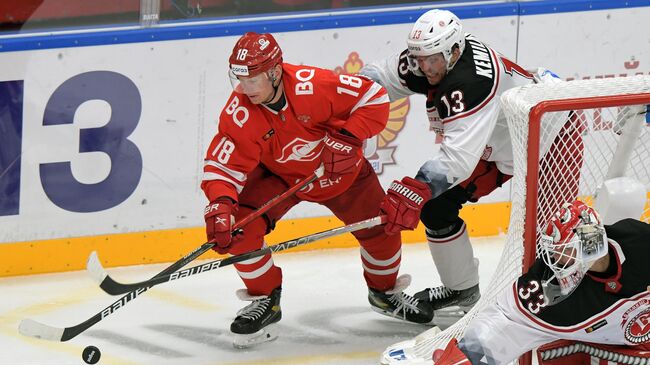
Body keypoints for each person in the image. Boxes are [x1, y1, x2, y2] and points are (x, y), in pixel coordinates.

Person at [201, 31, 434, 348]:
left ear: (274, 71)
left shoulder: (314, 85)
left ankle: (384, 293)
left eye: (252, 79)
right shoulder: (239, 111)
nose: (244, 88)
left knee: (383, 229)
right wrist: (221, 204)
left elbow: (374, 97)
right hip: (280, 177)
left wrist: (351, 138)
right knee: (239, 229)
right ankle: (264, 300)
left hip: (342, 176)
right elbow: (223, 165)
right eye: (239, 78)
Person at [361, 9, 575, 321]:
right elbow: (378, 77)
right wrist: (350, 100)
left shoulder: (470, 81)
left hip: (550, 133)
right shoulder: (429, 58)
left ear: (454, 51)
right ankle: (462, 289)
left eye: (432, 60)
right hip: (496, 142)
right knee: (435, 208)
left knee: (556, 227)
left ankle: (569, 300)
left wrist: (415, 189)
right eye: (419, 58)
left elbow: (458, 160)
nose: (424, 67)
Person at [432, 199, 650, 364]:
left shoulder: (639, 241)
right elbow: (505, 319)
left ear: (589, 246)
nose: (554, 260)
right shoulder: (547, 286)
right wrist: (467, 355)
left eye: (562, 251)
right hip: (613, 348)